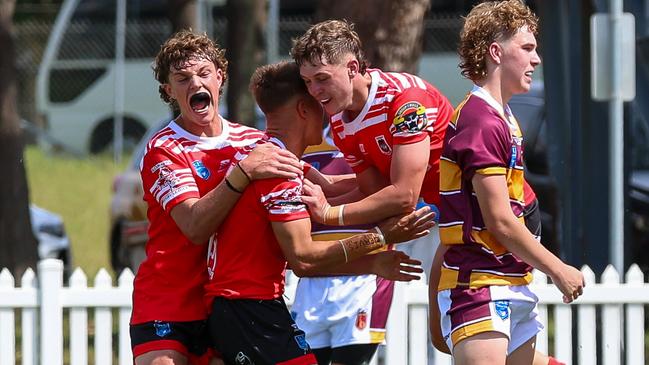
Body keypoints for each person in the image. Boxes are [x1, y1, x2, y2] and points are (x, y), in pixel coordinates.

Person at [203, 61, 436, 365]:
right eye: (320, 103)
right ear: (304, 109)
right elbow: (304, 259)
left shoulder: (268, 154)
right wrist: (382, 236)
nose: (329, 112)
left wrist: (403, 182)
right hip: (247, 309)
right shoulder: (280, 172)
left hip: (243, 307)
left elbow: (333, 185)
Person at [130, 30, 305, 365]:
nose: (195, 83)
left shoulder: (252, 140)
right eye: (182, 78)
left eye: (203, 73)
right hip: (168, 298)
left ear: (220, 77)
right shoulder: (164, 149)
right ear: (169, 91)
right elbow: (195, 225)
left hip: (228, 301)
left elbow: (307, 183)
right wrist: (241, 173)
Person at [433, 1, 584, 364]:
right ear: (496, 52)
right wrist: (558, 268)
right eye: (528, 49)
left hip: (508, 280)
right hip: (481, 287)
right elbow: (500, 219)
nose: (537, 60)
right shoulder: (481, 120)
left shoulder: (503, 117)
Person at [290, 19, 454, 284]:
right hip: (434, 220)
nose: (314, 91)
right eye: (307, 81)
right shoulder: (339, 119)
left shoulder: (406, 101)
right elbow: (373, 190)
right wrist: (322, 197)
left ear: (352, 68)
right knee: (435, 318)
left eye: (322, 78)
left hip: (474, 214)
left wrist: (330, 213)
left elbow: (403, 196)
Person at [290, 126, 394, 365]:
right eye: (310, 85)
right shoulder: (300, 137)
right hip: (311, 279)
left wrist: (328, 198)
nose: (317, 89)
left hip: (364, 281)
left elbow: (398, 187)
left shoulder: (379, 128)